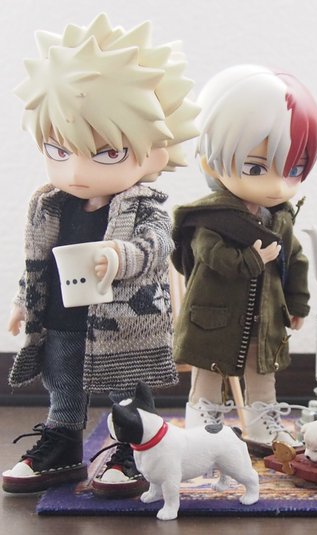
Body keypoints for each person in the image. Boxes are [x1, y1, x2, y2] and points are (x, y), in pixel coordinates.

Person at [2, 13, 199, 497]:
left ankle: (135, 450)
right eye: (59, 149)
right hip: (63, 318)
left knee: (127, 390)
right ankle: (63, 445)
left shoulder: (143, 205)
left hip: (123, 324)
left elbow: (158, 246)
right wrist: (24, 302)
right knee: (63, 383)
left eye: (107, 153)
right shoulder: (50, 205)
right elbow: (38, 262)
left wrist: (120, 256)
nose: (76, 170)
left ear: (154, 153)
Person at [172, 65, 317, 452]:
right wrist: (253, 259)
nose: (277, 183)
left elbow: (296, 259)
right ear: (211, 163)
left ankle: (262, 426)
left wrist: (297, 303)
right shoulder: (211, 218)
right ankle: (203, 427)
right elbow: (210, 255)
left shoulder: (279, 218)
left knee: (262, 374)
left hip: (264, 317)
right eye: (256, 167)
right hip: (214, 317)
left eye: (293, 168)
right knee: (208, 374)